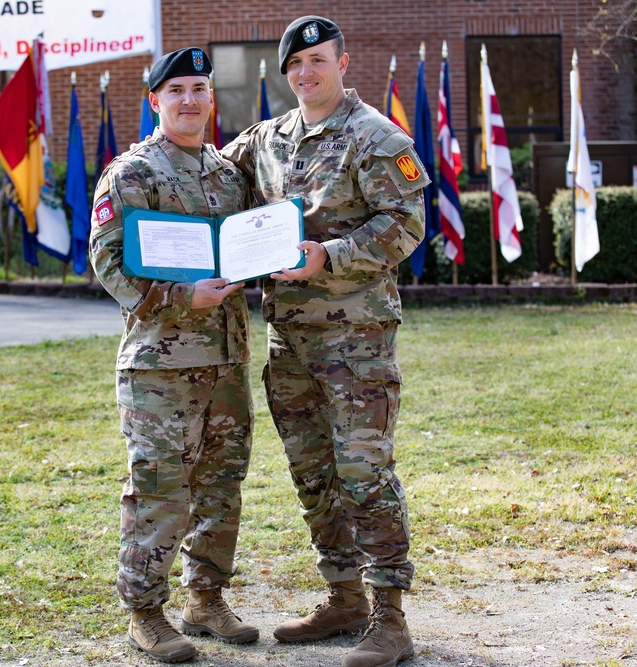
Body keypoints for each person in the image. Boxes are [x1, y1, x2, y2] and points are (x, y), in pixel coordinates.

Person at [221, 16, 428, 667]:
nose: (305, 73)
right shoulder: (268, 140)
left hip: (358, 344)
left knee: (365, 475)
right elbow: (208, 177)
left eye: (317, 59)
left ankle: (389, 616)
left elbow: (407, 224)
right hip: (291, 345)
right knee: (313, 474)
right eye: (295, 65)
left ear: (343, 62)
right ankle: (342, 596)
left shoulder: (376, 137)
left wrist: (330, 254)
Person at [89, 47, 258, 663]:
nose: (189, 100)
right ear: (154, 100)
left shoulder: (227, 173)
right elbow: (109, 263)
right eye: (176, 90)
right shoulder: (133, 173)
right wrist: (183, 296)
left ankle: (206, 599)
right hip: (160, 363)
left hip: (227, 358)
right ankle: (146, 612)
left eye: (200, 88)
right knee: (160, 487)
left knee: (221, 484)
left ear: (212, 98)